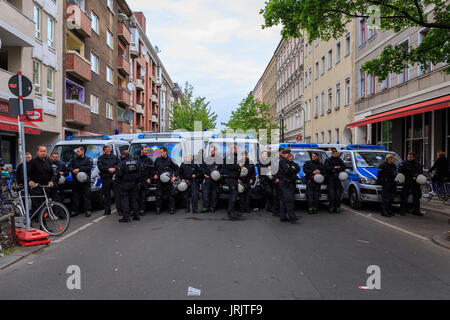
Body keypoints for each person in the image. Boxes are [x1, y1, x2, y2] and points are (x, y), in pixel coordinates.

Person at [27, 146, 55, 214]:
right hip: (36, 188)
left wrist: (51, 181)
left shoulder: (48, 161)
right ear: (37, 152)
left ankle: (42, 221)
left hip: (45, 187)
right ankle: (37, 220)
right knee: (37, 206)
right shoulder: (33, 162)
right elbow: (27, 173)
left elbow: (51, 173)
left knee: (45, 205)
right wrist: (29, 181)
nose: (43, 153)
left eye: (44, 151)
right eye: (41, 151)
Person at [115, 150, 141, 223]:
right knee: (134, 200)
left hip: (125, 184)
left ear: (123, 155)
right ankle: (136, 215)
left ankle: (126, 217)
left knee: (125, 200)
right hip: (134, 184)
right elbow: (139, 173)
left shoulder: (121, 163)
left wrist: (120, 181)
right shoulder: (136, 162)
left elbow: (118, 174)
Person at [68, 146, 94, 218]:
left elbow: (89, 167)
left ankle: (88, 211)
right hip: (76, 182)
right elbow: (69, 167)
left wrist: (79, 169)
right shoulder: (74, 160)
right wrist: (73, 170)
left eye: (78, 151)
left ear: (83, 152)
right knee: (75, 196)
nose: (77, 152)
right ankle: (75, 211)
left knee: (87, 196)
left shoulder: (88, 159)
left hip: (85, 182)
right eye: (77, 151)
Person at [154, 147, 179, 215]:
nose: (160, 153)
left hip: (169, 180)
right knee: (158, 195)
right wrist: (155, 174)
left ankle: (172, 208)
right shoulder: (157, 160)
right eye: (160, 152)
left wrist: (174, 177)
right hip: (160, 180)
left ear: (165, 152)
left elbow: (177, 169)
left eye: (161, 152)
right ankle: (158, 209)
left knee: (171, 195)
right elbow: (154, 168)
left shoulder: (171, 160)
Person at [97, 146, 121, 216]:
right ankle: (107, 210)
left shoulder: (115, 157)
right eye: (107, 150)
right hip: (106, 179)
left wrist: (115, 169)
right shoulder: (101, 158)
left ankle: (119, 210)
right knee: (107, 195)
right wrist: (108, 169)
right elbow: (100, 167)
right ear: (104, 150)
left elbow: (119, 164)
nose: (108, 150)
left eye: (109, 149)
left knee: (117, 195)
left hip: (114, 178)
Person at [277, 150, 300, 223]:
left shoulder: (283, 161)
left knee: (283, 201)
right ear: (284, 154)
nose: (289, 155)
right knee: (289, 200)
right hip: (286, 183)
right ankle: (292, 217)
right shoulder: (283, 161)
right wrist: (292, 168)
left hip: (283, 182)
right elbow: (287, 171)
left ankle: (283, 217)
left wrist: (292, 168)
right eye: (288, 154)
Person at [223, 144, 244, 219]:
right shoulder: (229, 157)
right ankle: (230, 213)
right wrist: (239, 166)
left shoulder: (233, 157)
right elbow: (231, 167)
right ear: (233, 149)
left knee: (234, 196)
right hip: (231, 179)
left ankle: (232, 211)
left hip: (234, 179)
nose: (237, 151)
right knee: (233, 196)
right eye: (236, 149)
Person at [399, 152, 423, 216]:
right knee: (404, 197)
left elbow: (420, 172)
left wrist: (417, 176)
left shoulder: (417, 164)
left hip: (415, 183)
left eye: (410, 157)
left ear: (414, 157)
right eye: (408, 157)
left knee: (416, 197)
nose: (408, 158)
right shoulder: (404, 163)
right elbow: (400, 171)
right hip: (407, 182)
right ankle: (402, 211)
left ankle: (416, 211)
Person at [134, 145, 154, 216]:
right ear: (141, 150)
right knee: (135, 196)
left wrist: (150, 178)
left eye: (147, 150)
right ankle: (135, 210)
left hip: (145, 180)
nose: (146, 151)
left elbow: (153, 171)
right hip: (137, 180)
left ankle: (142, 210)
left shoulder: (149, 160)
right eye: (145, 150)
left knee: (143, 196)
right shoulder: (136, 159)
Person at [324, 149, 345, 213]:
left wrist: (336, 169)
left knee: (338, 194)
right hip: (330, 179)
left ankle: (337, 207)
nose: (336, 155)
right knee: (331, 194)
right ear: (332, 154)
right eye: (334, 154)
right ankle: (331, 207)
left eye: (336, 154)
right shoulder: (328, 160)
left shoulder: (340, 160)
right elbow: (326, 168)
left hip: (338, 179)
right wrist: (334, 168)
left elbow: (343, 167)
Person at [202, 146, 222, 213]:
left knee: (214, 194)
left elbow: (222, 169)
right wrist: (204, 174)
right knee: (205, 193)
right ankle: (205, 206)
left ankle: (212, 207)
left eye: (213, 151)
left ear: (216, 151)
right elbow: (203, 168)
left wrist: (218, 175)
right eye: (211, 151)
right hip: (207, 179)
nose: (211, 152)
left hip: (215, 180)